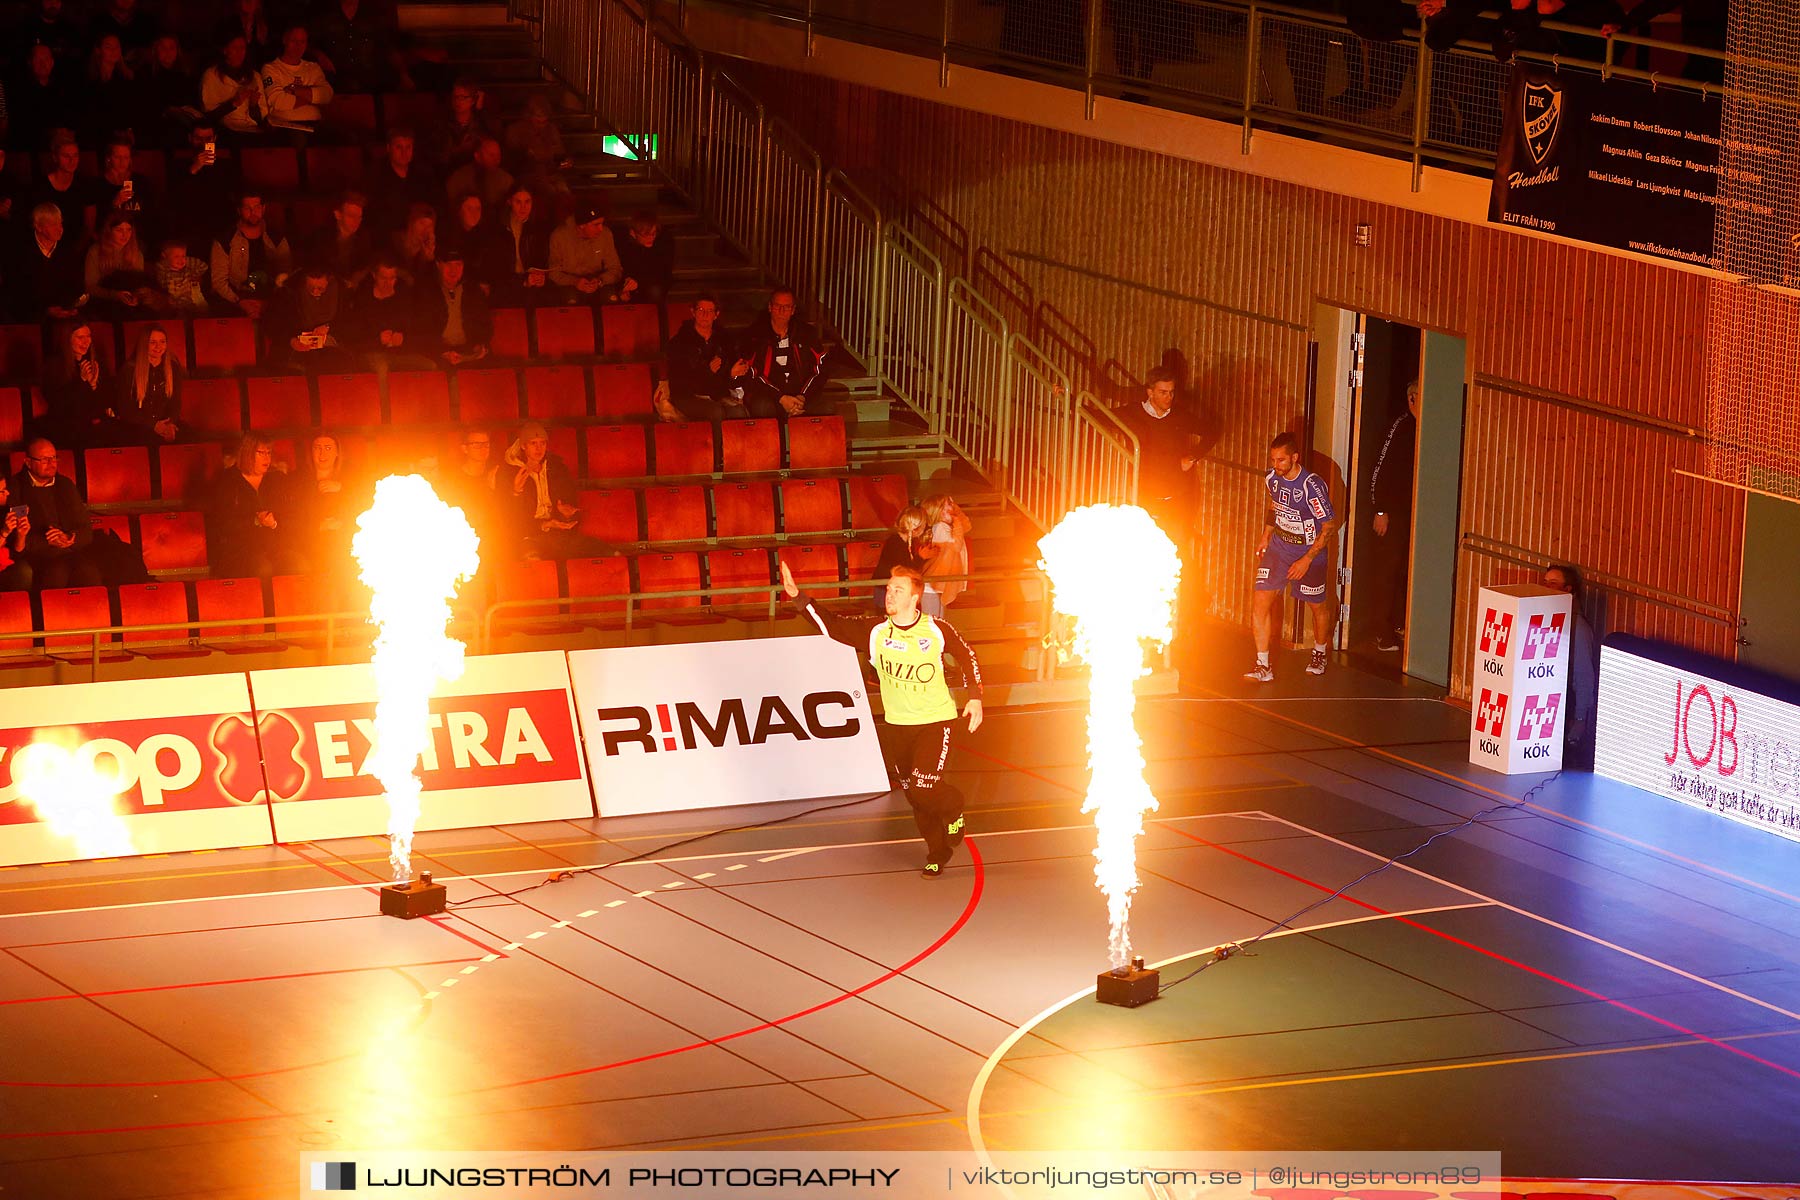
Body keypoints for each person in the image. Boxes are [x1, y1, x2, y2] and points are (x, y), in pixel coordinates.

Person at [778, 558, 983, 878]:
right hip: (898, 725)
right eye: (888, 588)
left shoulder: (936, 629)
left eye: (897, 590)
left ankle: (954, 808)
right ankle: (937, 850)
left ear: (914, 597)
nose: (889, 594)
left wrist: (975, 697)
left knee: (926, 786)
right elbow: (834, 626)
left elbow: (967, 654)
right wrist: (798, 598)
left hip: (935, 721)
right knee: (915, 796)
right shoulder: (875, 631)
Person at [1245, 431, 1343, 682]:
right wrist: (1266, 534)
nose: (1275, 465)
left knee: (1317, 606)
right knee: (1260, 602)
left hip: (1308, 553)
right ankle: (1262, 665)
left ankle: (1320, 652)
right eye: (1273, 460)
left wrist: (1307, 559)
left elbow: (1329, 526)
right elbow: (1274, 504)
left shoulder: (1312, 486)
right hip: (1279, 549)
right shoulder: (1272, 478)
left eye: (1281, 460)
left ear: (1294, 458)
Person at [1117, 366, 1203, 554]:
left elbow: (1211, 431)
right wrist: (1068, 398)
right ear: (1150, 392)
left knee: (1174, 553)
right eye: (1163, 392)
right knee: (1142, 551)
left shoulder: (1178, 416)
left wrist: (1193, 456)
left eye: (1171, 392)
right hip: (1144, 498)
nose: (1168, 397)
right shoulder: (1132, 413)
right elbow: (1099, 415)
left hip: (1175, 501)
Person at [1366, 379, 1418, 653]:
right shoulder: (1400, 425)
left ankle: (1400, 622)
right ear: (1412, 399)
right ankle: (1381, 630)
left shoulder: (1427, 427)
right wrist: (1380, 509)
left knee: (1405, 569)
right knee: (1387, 569)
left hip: (1415, 512)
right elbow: (1379, 469)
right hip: (1392, 512)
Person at [207, 431, 303, 578]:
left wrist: (274, 523)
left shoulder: (276, 479)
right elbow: (222, 522)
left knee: (297, 565)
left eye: (269, 453)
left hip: (275, 546)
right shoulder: (228, 481)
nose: (267, 458)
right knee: (262, 569)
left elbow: (291, 514)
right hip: (241, 549)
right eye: (261, 453)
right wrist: (255, 521)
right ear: (248, 453)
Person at [11, 437, 103, 588]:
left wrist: (69, 537)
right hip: (37, 555)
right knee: (56, 573)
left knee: (89, 572)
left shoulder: (65, 485)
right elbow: (17, 536)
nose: (51, 463)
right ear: (28, 462)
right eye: (44, 459)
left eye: (54, 458)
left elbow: (86, 530)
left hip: (69, 551)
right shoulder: (16, 489)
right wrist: (48, 540)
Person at [503, 421, 600, 560]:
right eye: (533, 443)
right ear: (523, 446)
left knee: (601, 551)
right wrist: (516, 492)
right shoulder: (510, 472)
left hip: (558, 534)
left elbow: (569, 502)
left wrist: (566, 514)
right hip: (529, 536)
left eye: (542, 443)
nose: (539, 448)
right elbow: (510, 518)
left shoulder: (558, 469)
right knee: (532, 558)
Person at [1543, 563, 1599, 770]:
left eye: (1554, 584)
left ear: (1568, 590)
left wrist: (1580, 719)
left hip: (1566, 708)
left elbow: (1584, 676)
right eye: (1545, 583)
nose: (1547, 588)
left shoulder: (1578, 628)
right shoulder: (1543, 620)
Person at [741, 288, 830, 419]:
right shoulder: (755, 335)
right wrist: (781, 398)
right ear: (770, 307)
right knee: (763, 408)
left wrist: (802, 397)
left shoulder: (806, 334)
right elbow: (750, 374)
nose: (782, 311)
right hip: (768, 396)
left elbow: (821, 369)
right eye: (778, 306)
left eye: (787, 307)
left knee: (826, 407)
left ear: (793, 310)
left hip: (799, 395)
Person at [663, 294, 749, 422]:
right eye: (701, 310)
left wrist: (733, 374)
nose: (705, 315)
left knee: (738, 412)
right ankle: (716, 442)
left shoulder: (724, 340)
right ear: (693, 312)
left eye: (710, 311)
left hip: (717, 394)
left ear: (716, 314)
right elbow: (681, 381)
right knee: (716, 412)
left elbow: (731, 375)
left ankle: (736, 443)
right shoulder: (680, 342)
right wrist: (707, 372)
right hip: (688, 396)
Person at [209, 190, 291, 318]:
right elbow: (219, 282)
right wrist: (239, 301)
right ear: (239, 210)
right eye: (247, 208)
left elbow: (285, 274)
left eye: (257, 207)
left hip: (270, 299)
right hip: (236, 298)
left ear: (263, 208)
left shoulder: (277, 237)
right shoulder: (225, 240)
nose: (253, 212)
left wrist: (269, 301)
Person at [290, 432, 362, 567]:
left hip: (344, 538)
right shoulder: (298, 480)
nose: (322, 453)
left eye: (328, 448)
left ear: (337, 452)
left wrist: (342, 488)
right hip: (311, 541)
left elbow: (362, 503)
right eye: (317, 448)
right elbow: (294, 517)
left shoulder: (351, 476)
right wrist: (318, 526)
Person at [265, 265, 351, 372]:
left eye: (320, 288)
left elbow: (350, 322)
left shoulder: (341, 293)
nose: (315, 292)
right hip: (294, 350)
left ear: (329, 280)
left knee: (337, 365)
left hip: (332, 348)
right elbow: (272, 324)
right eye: (310, 288)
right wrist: (290, 340)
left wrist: (328, 327)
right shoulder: (287, 293)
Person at [414, 247, 492, 364]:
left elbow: (485, 324)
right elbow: (422, 330)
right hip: (436, 354)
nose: (453, 270)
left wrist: (480, 344)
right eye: (448, 264)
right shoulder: (426, 291)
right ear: (438, 264)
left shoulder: (473, 291)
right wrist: (442, 352)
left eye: (458, 265)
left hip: (468, 351)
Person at [43, 323, 118, 444]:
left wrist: (93, 386)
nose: (86, 341)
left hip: (92, 424)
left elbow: (105, 401)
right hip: (66, 426)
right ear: (68, 339)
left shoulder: (96, 363)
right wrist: (81, 381)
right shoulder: (54, 366)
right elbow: (59, 403)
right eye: (80, 337)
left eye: (88, 336)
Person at [12, 203, 87, 320]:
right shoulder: (21, 253)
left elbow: (76, 285)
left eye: (60, 223)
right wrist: (44, 310)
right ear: (38, 227)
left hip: (64, 311)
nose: (60, 229)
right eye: (53, 225)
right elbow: (17, 291)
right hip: (30, 315)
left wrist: (66, 307)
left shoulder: (69, 251)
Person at [259, 24, 334, 131]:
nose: (298, 46)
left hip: (315, 125)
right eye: (294, 41)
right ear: (285, 40)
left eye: (302, 42)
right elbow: (278, 101)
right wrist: (311, 99)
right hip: (285, 126)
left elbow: (327, 95)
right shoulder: (270, 68)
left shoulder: (313, 68)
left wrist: (294, 90)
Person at [118, 325, 184, 443]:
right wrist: (153, 425)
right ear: (144, 344)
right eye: (153, 342)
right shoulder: (130, 369)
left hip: (165, 423)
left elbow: (176, 402)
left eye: (162, 342)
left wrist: (170, 424)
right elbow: (125, 409)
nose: (158, 346)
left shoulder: (172, 367)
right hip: (139, 426)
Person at [547, 203, 622, 303]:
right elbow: (553, 272)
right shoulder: (559, 236)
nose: (600, 229)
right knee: (570, 299)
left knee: (611, 298)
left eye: (602, 224)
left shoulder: (605, 235)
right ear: (582, 225)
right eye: (596, 225)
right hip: (569, 285)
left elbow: (615, 268)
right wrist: (574, 281)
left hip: (598, 282)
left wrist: (600, 280)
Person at [84, 212, 153, 318]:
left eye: (128, 230)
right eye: (119, 230)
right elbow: (90, 287)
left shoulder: (136, 254)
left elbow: (139, 283)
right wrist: (115, 295)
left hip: (129, 303)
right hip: (103, 303)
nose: (125, 235)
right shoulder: (96, 251)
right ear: (109, 231)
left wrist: (136, 297)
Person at [490, 183, 550, 304]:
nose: (523, 207)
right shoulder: (499, 228)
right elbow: (496, 267)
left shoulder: (539, 227)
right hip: (506, 284)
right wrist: (522, 280)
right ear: (509, 202)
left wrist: (540, 277)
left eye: (527, 202)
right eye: (518, 202)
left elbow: (542, 259)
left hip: (532, 283)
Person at [303, 190, 373, 290]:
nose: (356, 221)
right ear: (338, 215)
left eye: (359, 217)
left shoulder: (363, 236)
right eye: (351, 216)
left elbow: (366, 262)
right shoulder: (321, 238)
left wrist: (359, 275)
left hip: (353, 290)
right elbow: (315, 268)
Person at [918, 493, 971, 618]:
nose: (951, 507)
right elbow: (957, 545)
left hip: (939, 585)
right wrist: (955, 520)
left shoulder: (947, 526)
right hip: (931, 585)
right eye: (947, 505)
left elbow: (967, 526)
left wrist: (956, 511)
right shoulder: (940, 528)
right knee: (932, 624)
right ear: (939, 511)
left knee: (940, 623)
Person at [200, 34, 265, 135]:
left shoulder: (255, 76)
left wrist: (253, 105)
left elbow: (260, 118)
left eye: (242, 47)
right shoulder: (212, 75)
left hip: (252, 130)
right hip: (226, 131)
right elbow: (208, 116)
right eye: (235, 47)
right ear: (225, 50)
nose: (239, 52)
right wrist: (233, 103)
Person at [870, 504, 927, 611]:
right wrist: (921, 557)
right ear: (916, 528)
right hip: (886, 591)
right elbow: (906, 571)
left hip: (887, 590)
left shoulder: (900, 542)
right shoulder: (896, 543)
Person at [616, 210, 674, 306]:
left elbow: (664, 275)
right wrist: (623, 289)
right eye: (646, 235)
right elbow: (620, 270)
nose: (651, 238)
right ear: (633, 233)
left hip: (652, 287)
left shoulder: (664, 243)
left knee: (655, 291)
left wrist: (639, 283)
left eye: (653, 233)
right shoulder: (625, 246)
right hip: (632, 288)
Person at [446, 135, 514, 211]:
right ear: (477, 156)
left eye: (498, 155)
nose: (496, 159)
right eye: (491, 155)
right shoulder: (459, 178)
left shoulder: (506, 181)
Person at [151, 239, 209, 314]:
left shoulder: (189, 269)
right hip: (173, 305)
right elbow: (163, 286)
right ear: (165, 256)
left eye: (183, 256)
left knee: (203, 312)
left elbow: (204, 266)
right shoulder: (163, 272)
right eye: (176, 256)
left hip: (193, 302)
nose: (181, 260)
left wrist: (195, 276)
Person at [0, 476, 36, 591]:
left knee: (23, 571)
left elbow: (17, 553)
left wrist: (21, 534)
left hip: (4, 563)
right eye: (2, 491)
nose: (7, 493)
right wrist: (4, 533)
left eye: (6, 488)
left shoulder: (5, 511)